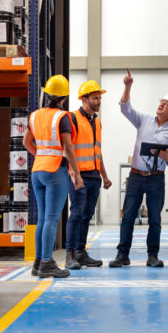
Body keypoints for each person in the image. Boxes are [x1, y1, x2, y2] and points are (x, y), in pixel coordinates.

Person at [110, 68, 168, 268]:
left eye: (166, 104)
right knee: (128, 217)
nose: (161, 105)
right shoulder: (143, 120)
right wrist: (127, 86)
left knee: (155, 219)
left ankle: (153, 256)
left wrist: (161, 153)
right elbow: (125, 108)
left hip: (156, 179)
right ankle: (122, 255)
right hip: (135, 177)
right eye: (161, 102)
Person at [23, 75, 83, 279]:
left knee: (42, 218)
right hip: (55, 171)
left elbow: (26, 142)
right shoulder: (62, 117)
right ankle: (47, 263)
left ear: (48, 94)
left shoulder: (35, 115)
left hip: (37, 171)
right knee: (51, 219)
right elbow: (68, 147)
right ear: (64, 97)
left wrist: (40, 155)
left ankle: (39, 261)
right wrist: (76, 173)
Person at [64, 80, 112, 270]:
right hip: (78, 176)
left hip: (94, 177)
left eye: (99, 98)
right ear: (84, 99)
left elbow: (97, 152)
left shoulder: (97, 122)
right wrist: (75, 174)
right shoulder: (72, 118)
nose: (98, 101)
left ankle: (81, 252)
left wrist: (105, 176)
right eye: (95, 98)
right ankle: (70, 254)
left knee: (87, 216)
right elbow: (69, 149)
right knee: (76, 214)